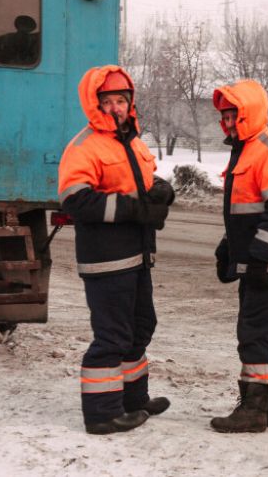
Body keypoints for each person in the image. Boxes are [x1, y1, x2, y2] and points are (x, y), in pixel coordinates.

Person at [58, 65, 175, 435]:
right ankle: (102, 414)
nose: (115, 107)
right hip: (106, 260)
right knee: (112, 337)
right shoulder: (83, 146)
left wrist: (160, 190)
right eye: (107, 101)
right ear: (95, 105)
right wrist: (134, 208)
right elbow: (76, 201)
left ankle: (132, 399)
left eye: (121, 100)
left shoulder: (133, 143)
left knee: (141, 328)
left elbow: (141, 183)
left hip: (138, 257)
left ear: (130, 103)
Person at [210, 79, 268, 433]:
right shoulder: (246, 150)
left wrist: (261, 257)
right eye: (225, 117)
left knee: (254, 331)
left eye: (233, 116)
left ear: (248, 114)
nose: (229, 123)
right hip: (262, 261)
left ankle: (253, 410)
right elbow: (243, 213)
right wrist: (228, 249)